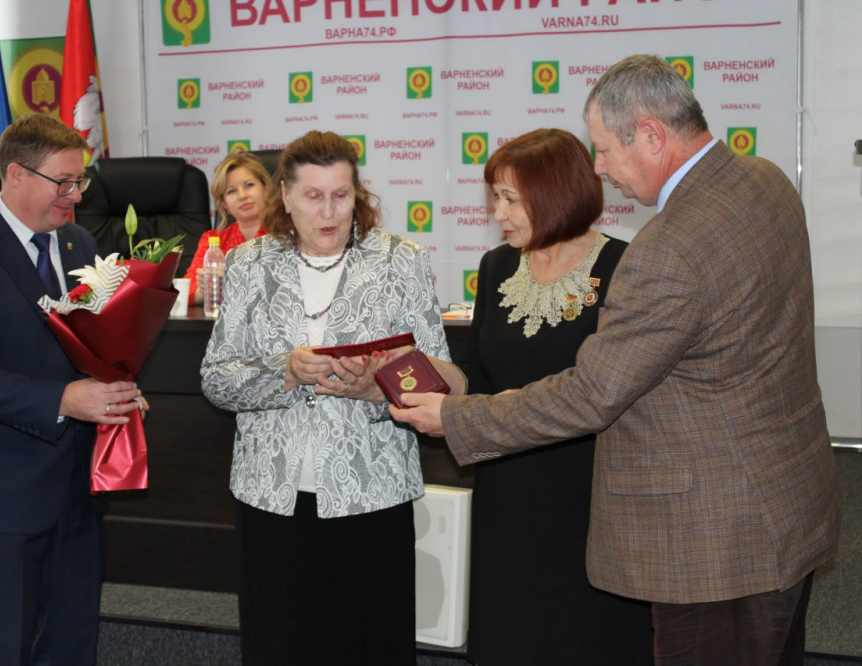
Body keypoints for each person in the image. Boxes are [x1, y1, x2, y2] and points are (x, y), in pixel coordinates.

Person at [392, 54, 840, 665]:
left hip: (713, 543)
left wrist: (455, 418)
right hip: (784, 506)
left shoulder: (666, 250)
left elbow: (590, 394)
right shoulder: (764, 180)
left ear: (651, 134)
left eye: (604, 149)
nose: (599, 168)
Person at [200, 130, 454, 666]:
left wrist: (376, 389)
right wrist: (285, 371)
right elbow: (216, 381)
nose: (329, 211)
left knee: (368, 647)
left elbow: (438, 381)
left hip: (372, 495)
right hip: (272, 497)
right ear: (285, 196)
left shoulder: (400, 260)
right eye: (313, 196)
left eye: (341, 194)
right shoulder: (248, 263)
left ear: (357, 192)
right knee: (280, 646)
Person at [0, 114, 145, 666]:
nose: (76, 196)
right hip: (1, 487)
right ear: (17, 175)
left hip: (77, 482)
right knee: (2, 646)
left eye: (79, 181)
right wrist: (65, 400)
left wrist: (115, 385)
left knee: (71, 641)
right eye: (63, 182)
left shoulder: (79, 242)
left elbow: (90, 345)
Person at [446, 129, 652, 664]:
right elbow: (480, 373)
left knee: (588, 637)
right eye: (495, 197)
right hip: (508, 490)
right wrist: (442, 379)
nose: (498, 213)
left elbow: (616, 390)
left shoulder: (624, 267)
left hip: (591, 494)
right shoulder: (496, 266)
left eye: (510, 199)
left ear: (555, 195)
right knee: (511, 630)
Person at [182, 151, 269, 305]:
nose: (242, 196)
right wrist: (204, 292)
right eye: (231, 191)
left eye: (249, 185)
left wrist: (232, 281)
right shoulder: (213, 241)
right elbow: (185, 291)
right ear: (224, 203)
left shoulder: (286, 235)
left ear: (266, 189)